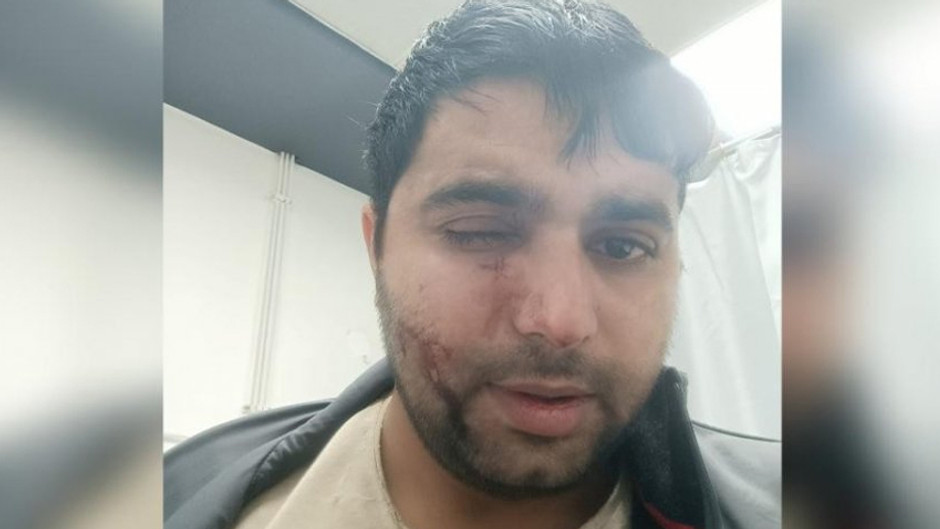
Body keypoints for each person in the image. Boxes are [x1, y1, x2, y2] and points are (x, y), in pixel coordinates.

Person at [164, 1, 780, 528]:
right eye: (481, 232)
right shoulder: (178, 494)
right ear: (377, 249)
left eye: (623, 247)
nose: (560, 321)